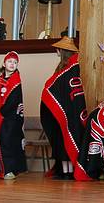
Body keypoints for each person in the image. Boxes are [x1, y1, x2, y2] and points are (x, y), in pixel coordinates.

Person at [40, 36, 87, 180]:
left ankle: (70, 171)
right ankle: (65, 171)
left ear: (62, 51)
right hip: (63, 114)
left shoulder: (71, 69)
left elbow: (60, 89)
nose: (56, 51)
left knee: (68, 139)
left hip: (70, 113)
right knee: (61, 142)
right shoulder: (64, 69)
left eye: (58, 49)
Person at [0, 51, 27, 179]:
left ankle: (9, 170)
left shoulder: (16, 82)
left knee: (8, 142)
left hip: (11, 118)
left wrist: (2, 111)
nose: (12, 64)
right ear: (4, 63)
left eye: (15, 62)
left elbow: (14, 101)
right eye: (10, 61)